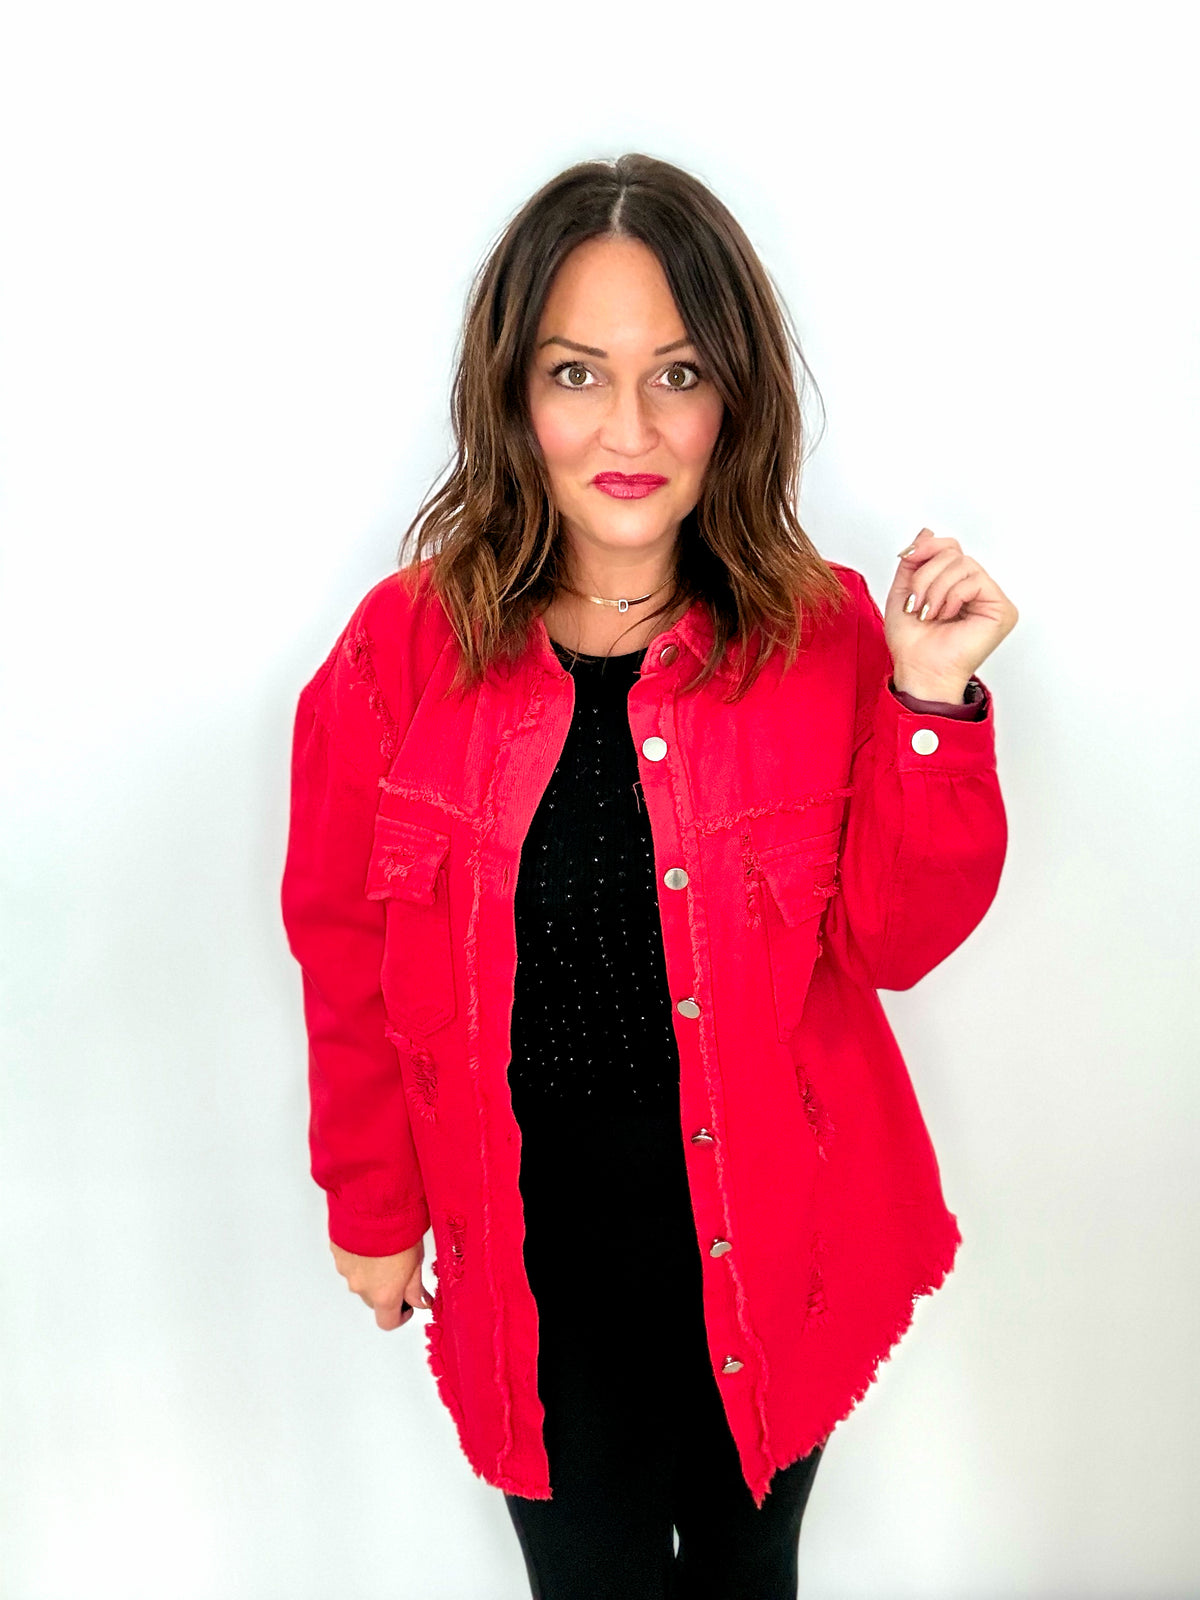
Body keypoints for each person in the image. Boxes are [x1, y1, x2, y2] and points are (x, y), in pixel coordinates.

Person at [280, 152, 1018, 1600]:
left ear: (735, 395)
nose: (629, 426)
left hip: (774, 1235)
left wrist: (929, 708)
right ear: (513, 394)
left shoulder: (824, 634)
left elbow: (890, 941)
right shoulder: (402, 652)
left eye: (677, 373)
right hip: (530, 1263)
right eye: (575, 373)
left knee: (750, 1577)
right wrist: (372, 1209)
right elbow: (343, 944)